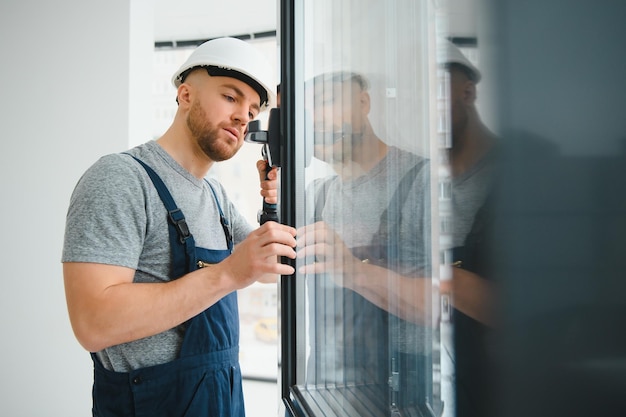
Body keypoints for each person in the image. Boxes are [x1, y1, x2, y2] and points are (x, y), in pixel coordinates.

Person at [62, 37, 297, 417]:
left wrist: (272, 203)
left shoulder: (217, 197)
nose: (243, 116)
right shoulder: (121, 178)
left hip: (220, 401)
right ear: (185, 94)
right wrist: (227, 275)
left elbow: (269, 271)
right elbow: (92, 323)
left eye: (252, 109)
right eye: (230, 97)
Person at [296, 71, 434, 415]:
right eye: (305, 114)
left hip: (399, 395)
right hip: (322, 387)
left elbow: (446, 308)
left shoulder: (424, 182)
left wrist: (354, 272)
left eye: (326, 101)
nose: (316, 120)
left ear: (364, 101)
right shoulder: (315, 196)